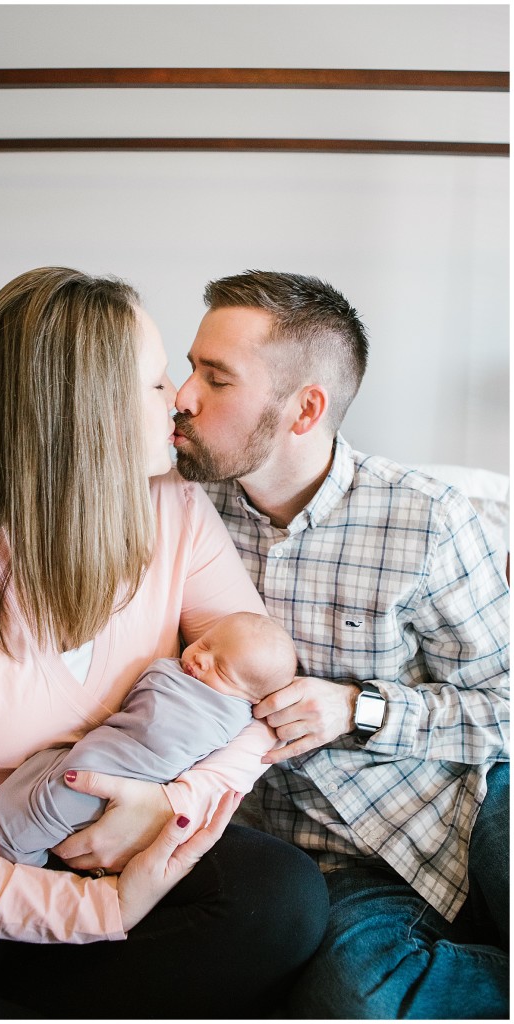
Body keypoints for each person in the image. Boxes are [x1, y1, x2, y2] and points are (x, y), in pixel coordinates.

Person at [0, 267, 329, 1020]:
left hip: (128, 842)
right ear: (83, 413)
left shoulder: (177, 515)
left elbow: (263, 702)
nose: (181, 401)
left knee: (283, 902)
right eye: (157, 384)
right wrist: (101, 911)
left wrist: (168, 805)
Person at [173, 269, 510, 1020]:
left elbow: (508, 705)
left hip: (468, 798)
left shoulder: (429, 519)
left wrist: (357, 711)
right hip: (328, 856)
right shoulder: (179, 514)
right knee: (353, 1003)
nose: (181, 396)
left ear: (305, 409)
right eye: (189, 367)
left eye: (215, 378)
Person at [0, 611, 298, 866]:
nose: (202, 660)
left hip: (137, 779)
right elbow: (142, 700)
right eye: (204, 645)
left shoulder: (234, 715)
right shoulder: (173, 673)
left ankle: (21, 866)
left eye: (223, 670)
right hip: (99, 751)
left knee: (44, 814)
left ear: (252, 699)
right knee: (39, 782)